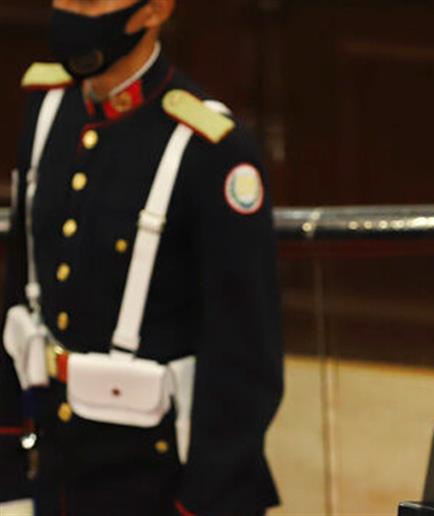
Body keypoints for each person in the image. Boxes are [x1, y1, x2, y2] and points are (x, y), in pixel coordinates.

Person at [0, 0, 283, 514]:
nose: (71, 10)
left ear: (155, 10)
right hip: (57, 466)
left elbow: (244, 358)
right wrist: (8, 473)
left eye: (92, 0)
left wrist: (200, 504)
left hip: (157, 477)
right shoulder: (47, 109)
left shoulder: (210, 146)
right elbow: (19, 296)